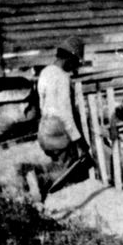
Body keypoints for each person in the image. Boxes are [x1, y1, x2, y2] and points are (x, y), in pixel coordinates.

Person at [37, 36, 89, 166]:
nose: (73, 68)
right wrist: (79, 140)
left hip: (44, 130)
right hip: (58, 132)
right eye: (75, 62)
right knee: (71, 168)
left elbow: (42, 104)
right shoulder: (62, 77)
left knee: (57, 168)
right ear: (69, 58)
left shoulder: (45, 72)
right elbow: (66, 113)